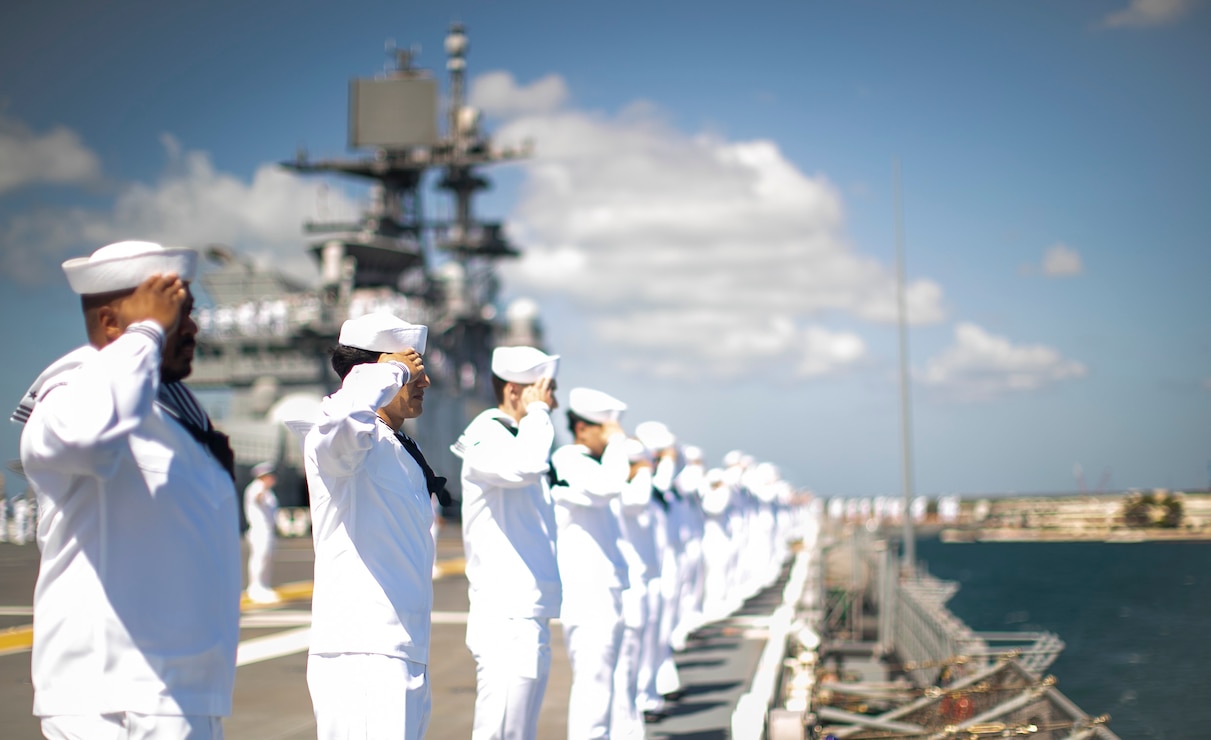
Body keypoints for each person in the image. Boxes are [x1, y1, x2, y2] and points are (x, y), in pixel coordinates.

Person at [13, 240, 241, 739]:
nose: (193, 327)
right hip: (112, 702)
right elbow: (89, 432)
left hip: (176, 695)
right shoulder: (72, 395)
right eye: (175, 313)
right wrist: (143, 335)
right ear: (114, 323)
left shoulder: (178, 419)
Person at [300, 313, 442, 740]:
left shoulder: (395, 442)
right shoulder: (343, 436)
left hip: (401, 648)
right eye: (410, 368)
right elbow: (341, 426)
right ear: (371, 373)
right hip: (364, 652)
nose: (423, 380)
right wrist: (392, 369)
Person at [452, 345, 561, 740]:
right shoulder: (487, 434)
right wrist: (538, 413)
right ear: (516, 391)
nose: (553, 400)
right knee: (500, 730)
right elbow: (527, 466)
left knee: (519, 730)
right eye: (544, 390)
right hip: (505, 612)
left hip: (527, 608)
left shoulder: (521, 436)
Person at [550, 387, 632, 740]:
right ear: (583, 428)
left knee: (604, 687)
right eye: (606, 428)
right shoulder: (569, 458)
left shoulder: (592, 464)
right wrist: (618, 444)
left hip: (603, 592)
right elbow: (610, 486)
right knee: (594, 687)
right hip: (588, 594)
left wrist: (613, 445)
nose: (613, 435)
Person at [244, 461, 280, 604]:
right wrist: (263, 488)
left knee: (266, 558)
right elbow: (258, 498)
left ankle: (263, 585)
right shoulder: (256, 488)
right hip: (259, 529)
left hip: (267, 529)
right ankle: (255, 587)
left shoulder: (268, 491)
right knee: (260, 557)